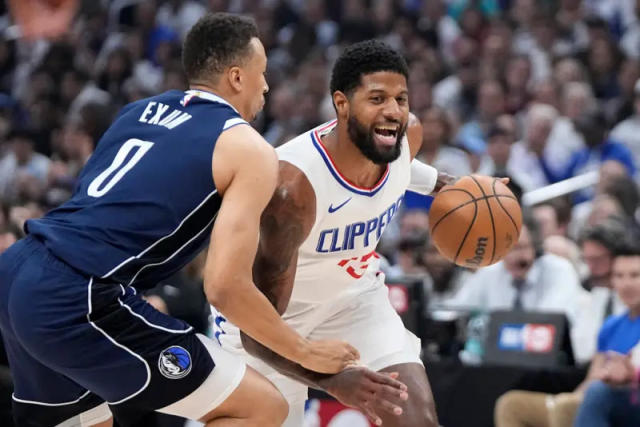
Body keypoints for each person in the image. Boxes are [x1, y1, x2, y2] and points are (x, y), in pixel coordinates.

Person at [0, 13, 402, 427]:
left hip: (19, 271)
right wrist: (306, 351)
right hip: (79, 294)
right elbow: (225, 286)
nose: (266, 85)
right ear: (237, 77)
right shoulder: (248, 148)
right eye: (261, 73)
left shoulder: (138, 111)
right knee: (263, 407)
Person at [215, 40, 449, 427]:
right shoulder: (292, 192)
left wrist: (451, 185)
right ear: (342, 104)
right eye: (377, 99)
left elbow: (403, 167)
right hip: (272, 325)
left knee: (415, 420)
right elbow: (255, 330)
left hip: (354, 302)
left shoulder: (405, 137)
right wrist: (333, 381)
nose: (393, 111)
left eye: (401, 99)